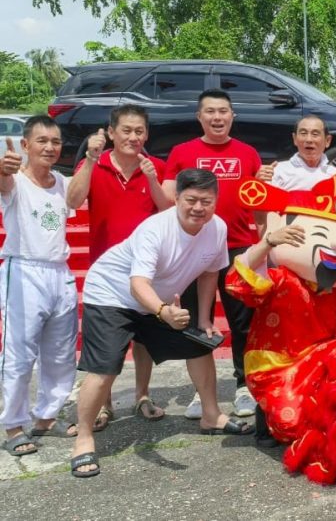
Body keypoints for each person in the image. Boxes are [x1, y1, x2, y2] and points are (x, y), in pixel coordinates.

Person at [70, 168, 253, 478]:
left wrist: (206, 318)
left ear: (216, 201)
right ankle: (84, 438)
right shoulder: (155, 229)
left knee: (199, 345)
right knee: (106, 366)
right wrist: (163, 312)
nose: (198, 207)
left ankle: (212, 415)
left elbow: (210, 272)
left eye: (206, 201)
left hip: (154, 298)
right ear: (177, 198)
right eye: (191, 200)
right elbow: (137, 283)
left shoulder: (217, 227)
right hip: (111, 294)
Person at [225, 171, 336, 445]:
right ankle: (266, 426)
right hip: (273, 361)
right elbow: (238, 281)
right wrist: (268, 242)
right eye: (321, 233)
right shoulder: (282, 279)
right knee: (291, 423)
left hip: (317, 360)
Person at [66, 105, 171, 429]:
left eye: (139, 131)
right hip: (106, 269)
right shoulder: (93, 164)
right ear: (111, 132)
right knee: (107, 344)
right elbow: (73, 200)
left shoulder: (156, 166)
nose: (133, 137)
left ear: (147, 135)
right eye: (126, 130)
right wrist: (92, 159)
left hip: (145, 266)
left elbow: (168, 208)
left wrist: (153, 179)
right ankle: (104, 404)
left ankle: (142, 394)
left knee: (142, 338)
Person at [162, 89, 261, 419]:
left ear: (232, 116)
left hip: (239, 248)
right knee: (195, 320)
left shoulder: (248, 153)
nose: (217, 117)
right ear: (199, 117)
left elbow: (260, 202)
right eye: (210, 111)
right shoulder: (181, 152)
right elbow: (167, 200)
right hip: (192, 249)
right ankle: (201, 390)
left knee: (243, 322)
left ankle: (245, 385)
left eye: (223, 111)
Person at [0, 117, 77, 457]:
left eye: (55, 141)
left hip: (59, 272)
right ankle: (14, 424)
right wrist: (3, 169)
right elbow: (3, 184)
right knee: (19, 353)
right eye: (42, 140)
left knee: (60, 353)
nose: (49, 147)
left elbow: (78, 196)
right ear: (26, 145)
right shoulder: (14, 181)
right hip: (24, 270)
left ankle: (47, 415)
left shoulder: (61, 182)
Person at [256, 116, 336, 191]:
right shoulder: (278, 172)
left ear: (327, 140)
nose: (309, 139)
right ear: (295, 139)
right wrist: (257, 182)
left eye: (315, 134)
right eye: (303, 133)